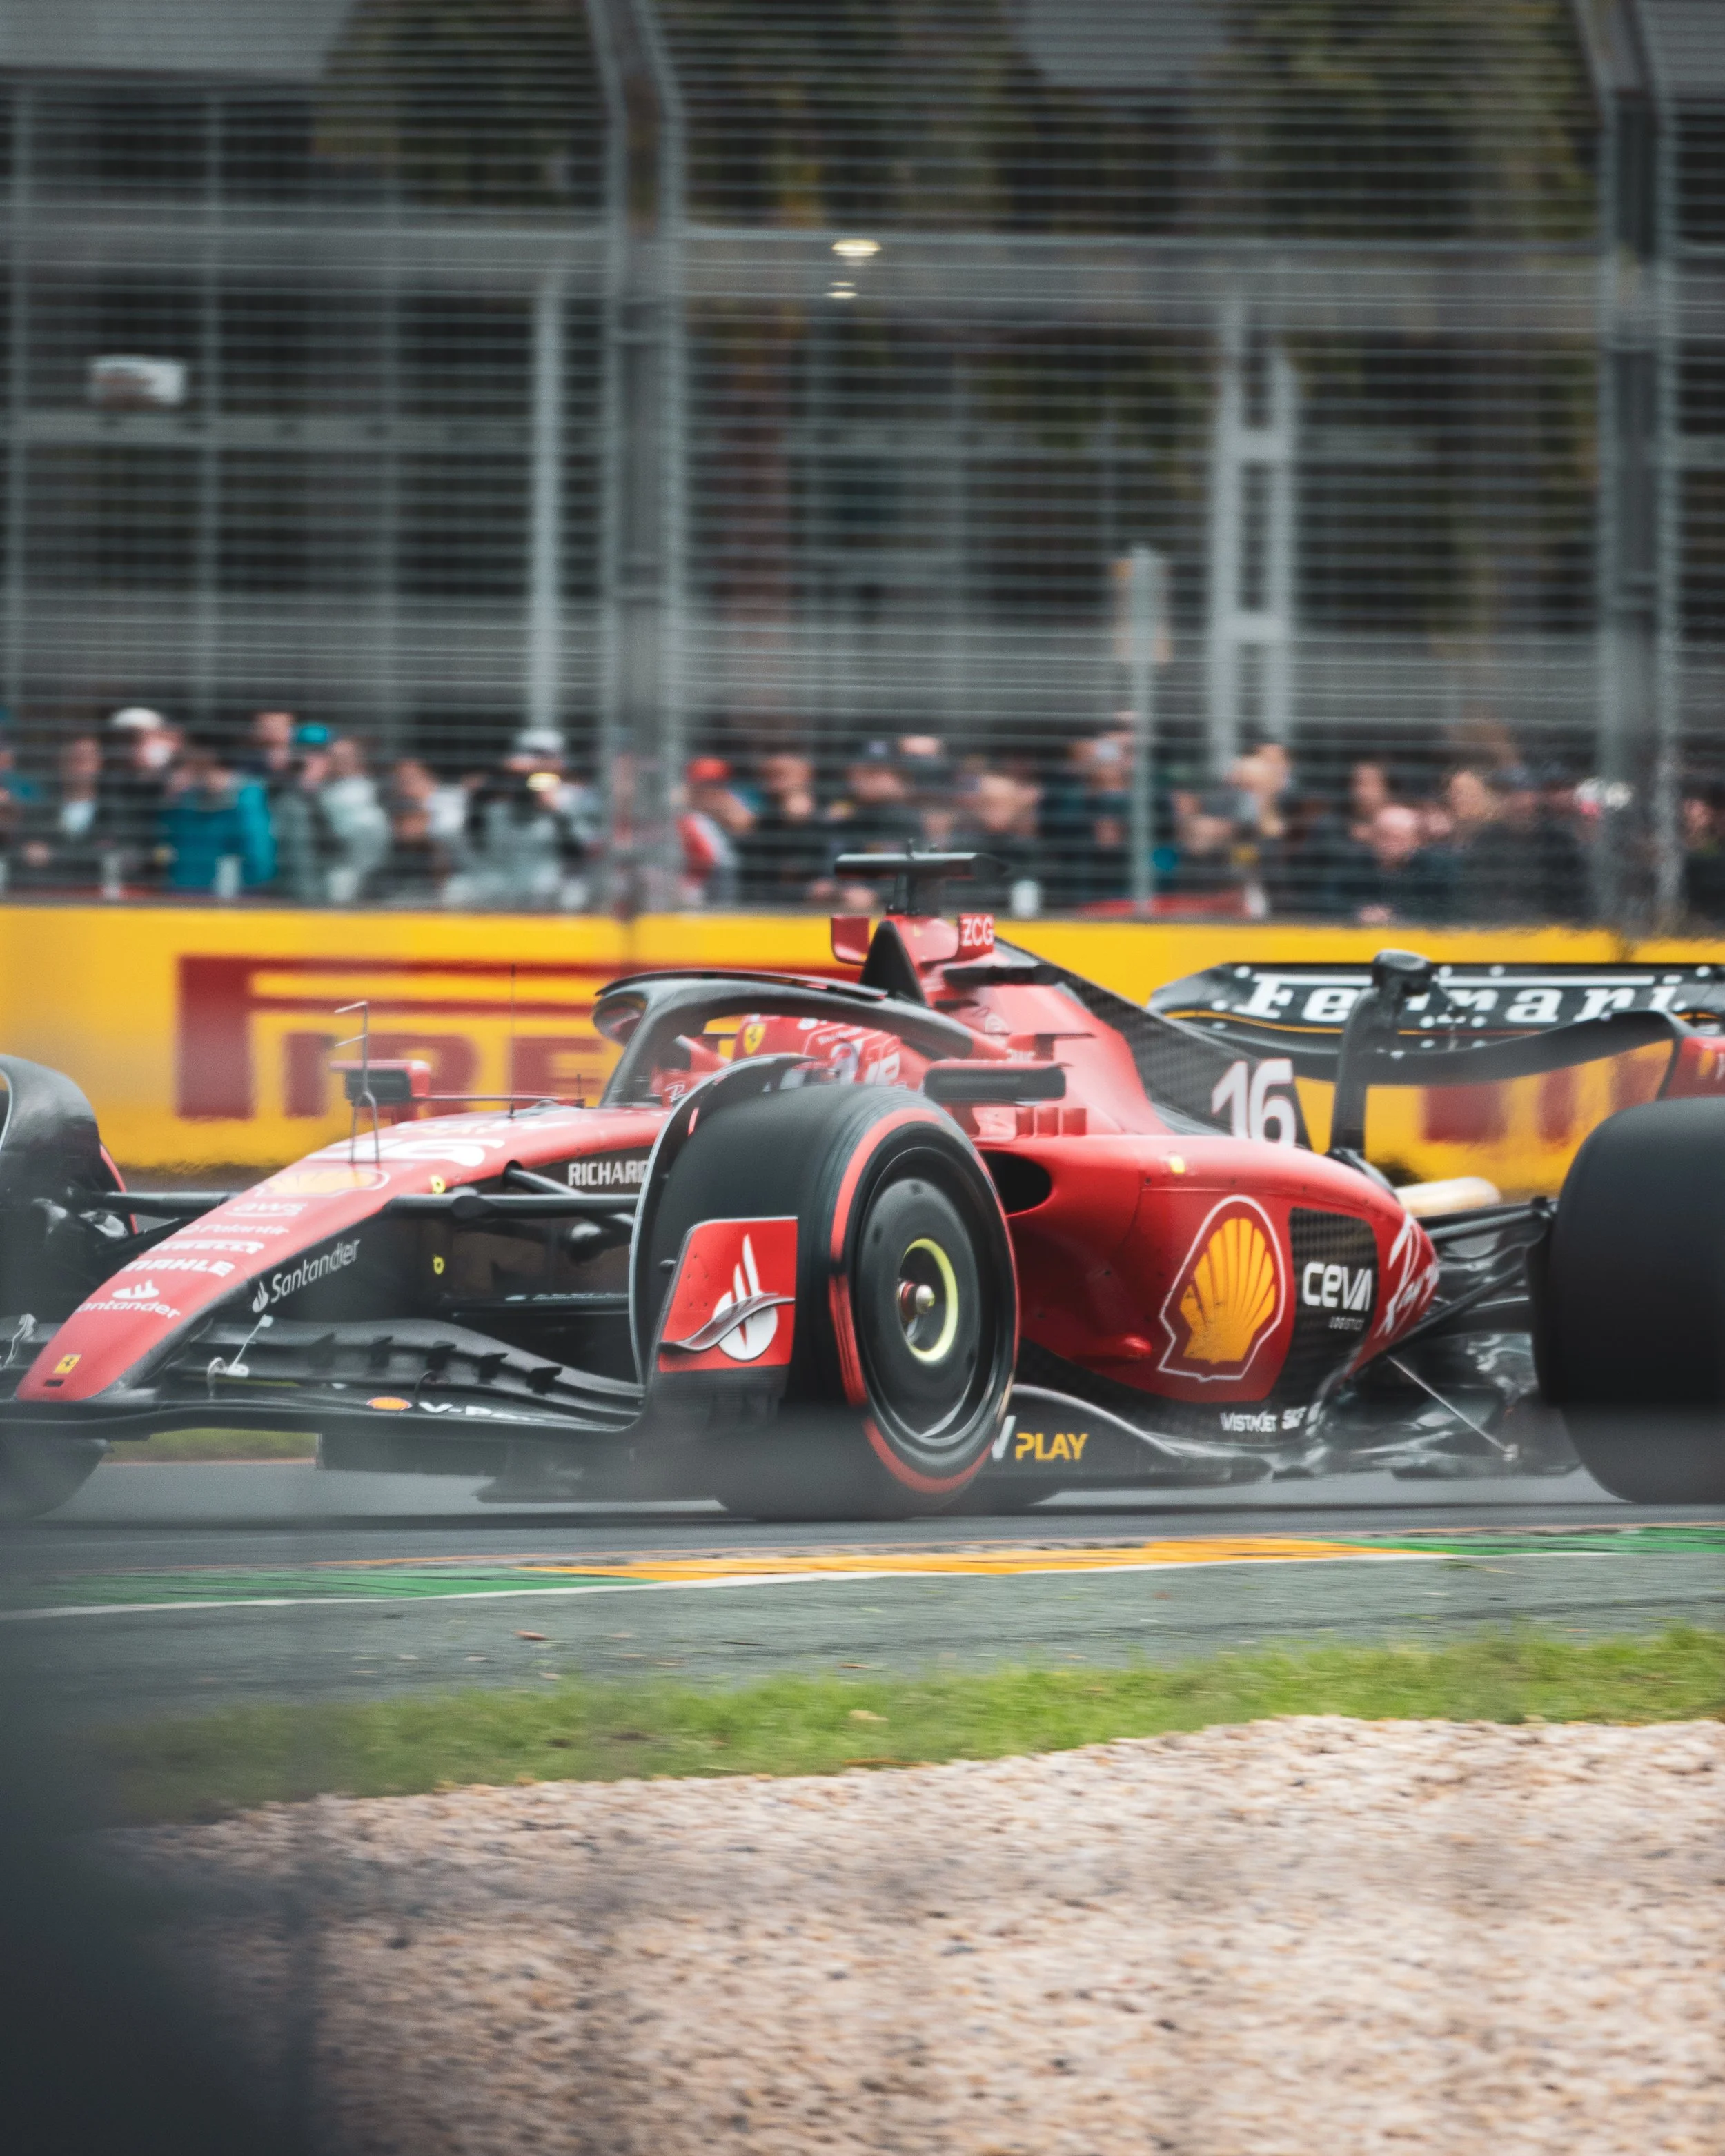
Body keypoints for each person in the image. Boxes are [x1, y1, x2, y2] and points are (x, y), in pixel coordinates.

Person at [158, 735, 275, 894]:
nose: (184, 755)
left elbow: (258, 853)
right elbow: (166, 842)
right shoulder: (185, 797)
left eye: (190, 750)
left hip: (231, 899)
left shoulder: (247, 796)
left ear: (208, 755)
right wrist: (170, 799)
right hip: (183, 895)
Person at [15, 735, 112, 889]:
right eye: (74, 759)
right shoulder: (39, 813)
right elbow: (25, 854)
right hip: (50, 901)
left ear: (100, 763)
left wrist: (53, 855)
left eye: (86, 759)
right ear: (61, 763)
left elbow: (122, 857)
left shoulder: (116, 813)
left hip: (99, 903)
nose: (80, 766)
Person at [103, 706, 181, 884]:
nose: (133, 748)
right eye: (126, 740)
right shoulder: (114, 785)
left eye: (139, 739)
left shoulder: (180, 785)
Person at [740, 751, 828, 906]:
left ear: (806, 775)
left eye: (782, 774)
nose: (774, 780)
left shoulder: (826, 817)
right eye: (769, 774)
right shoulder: (761, 820)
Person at [317, 735, 391, 904]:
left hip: (376, 866)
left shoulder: (378, 788)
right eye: (334, 757)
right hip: (336, 863)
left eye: (346, 757)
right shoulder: (321, 790)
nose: (340, 762)